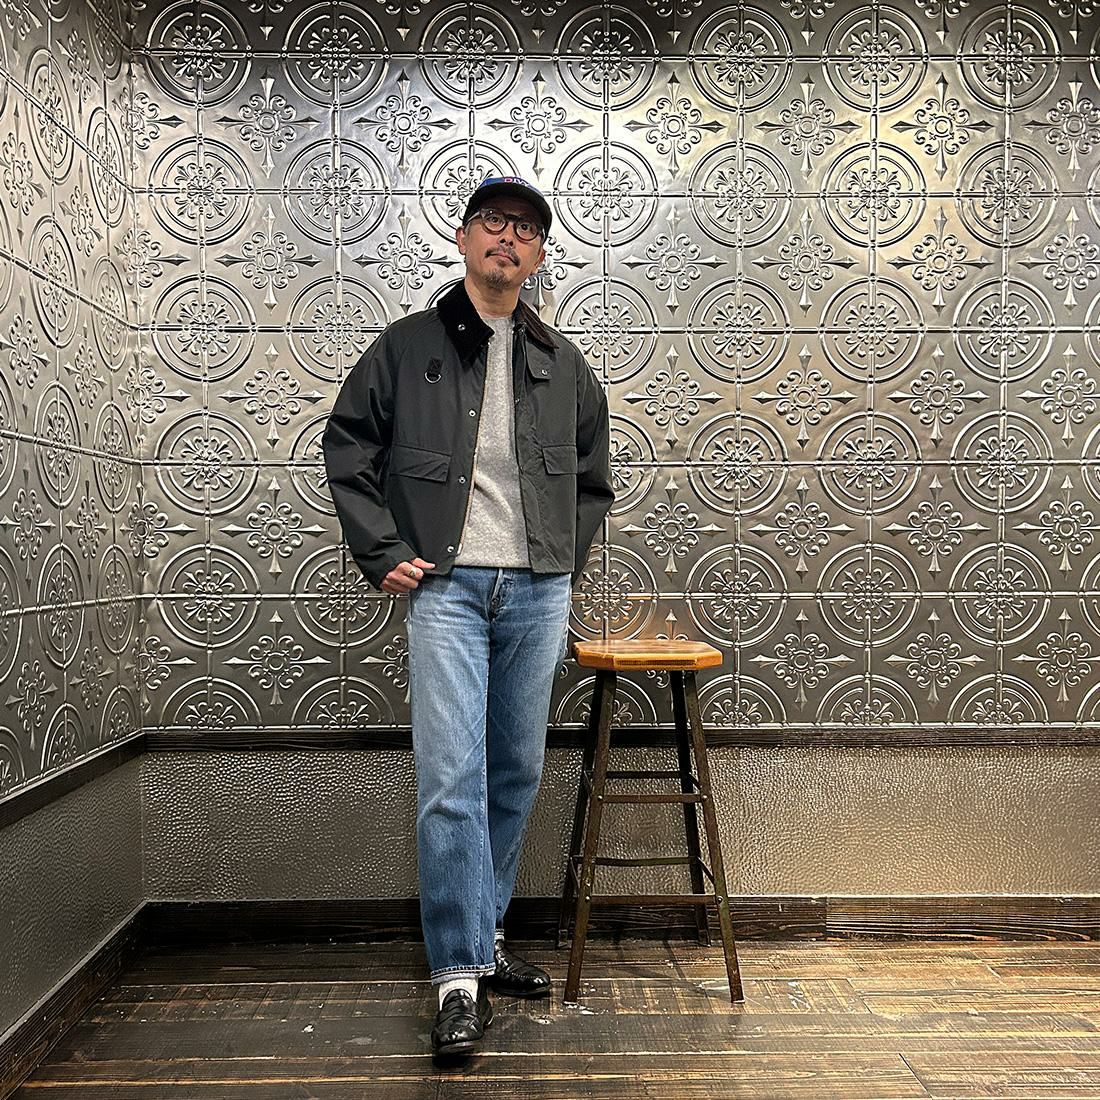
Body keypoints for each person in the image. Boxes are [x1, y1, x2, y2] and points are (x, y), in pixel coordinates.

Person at [322, 176, 614, 1061]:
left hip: (536, 590)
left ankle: (484, 940)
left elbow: (592, 479)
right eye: (493, 221)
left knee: (515, 771)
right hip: (445, 588)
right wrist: (381, 548)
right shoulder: (408, 346)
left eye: (525, 228)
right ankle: (457, 976)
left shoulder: (562, 362)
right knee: (452, 777)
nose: (507, 237)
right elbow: (349, 444)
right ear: (463, 237)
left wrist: (560, 557)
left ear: (539, 255)